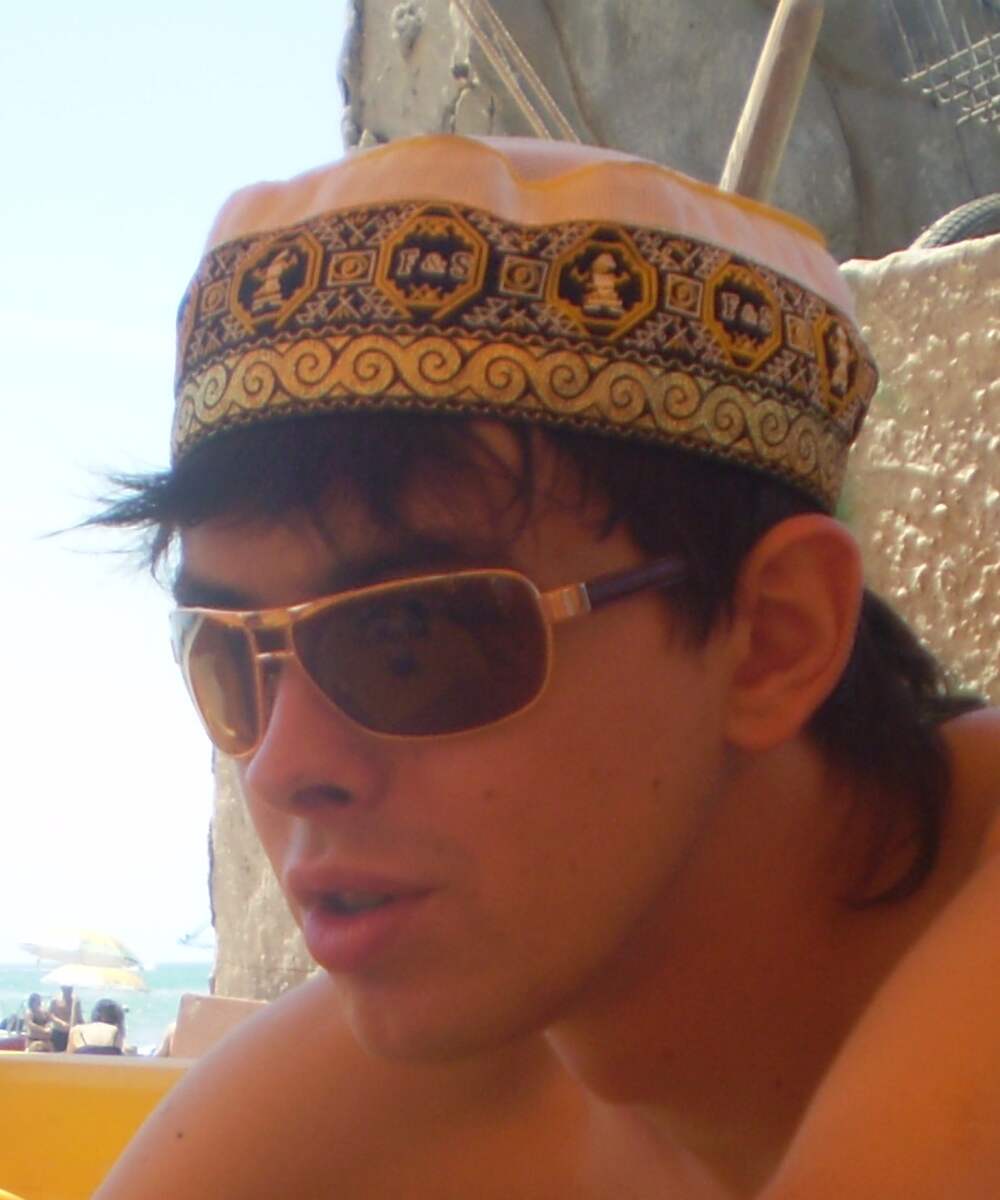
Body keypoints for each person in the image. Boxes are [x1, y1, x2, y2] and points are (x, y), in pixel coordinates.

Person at [93, 136, 1000, 1198]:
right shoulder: (377, 1094)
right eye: (232, 655)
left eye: (411, 641)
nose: (284, 765)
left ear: (772, 636)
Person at [48, 984, 81, 1052]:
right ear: (62, 989)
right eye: (67, 989)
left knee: (71, 1053)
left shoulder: (75, 1001)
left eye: (70, 989)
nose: (69, 991)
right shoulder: (55, 1000)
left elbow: (79, 1016)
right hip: (58, 1032)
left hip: (71, 1033)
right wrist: (61, 1022)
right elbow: (49, 1015)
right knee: (57, 1053)